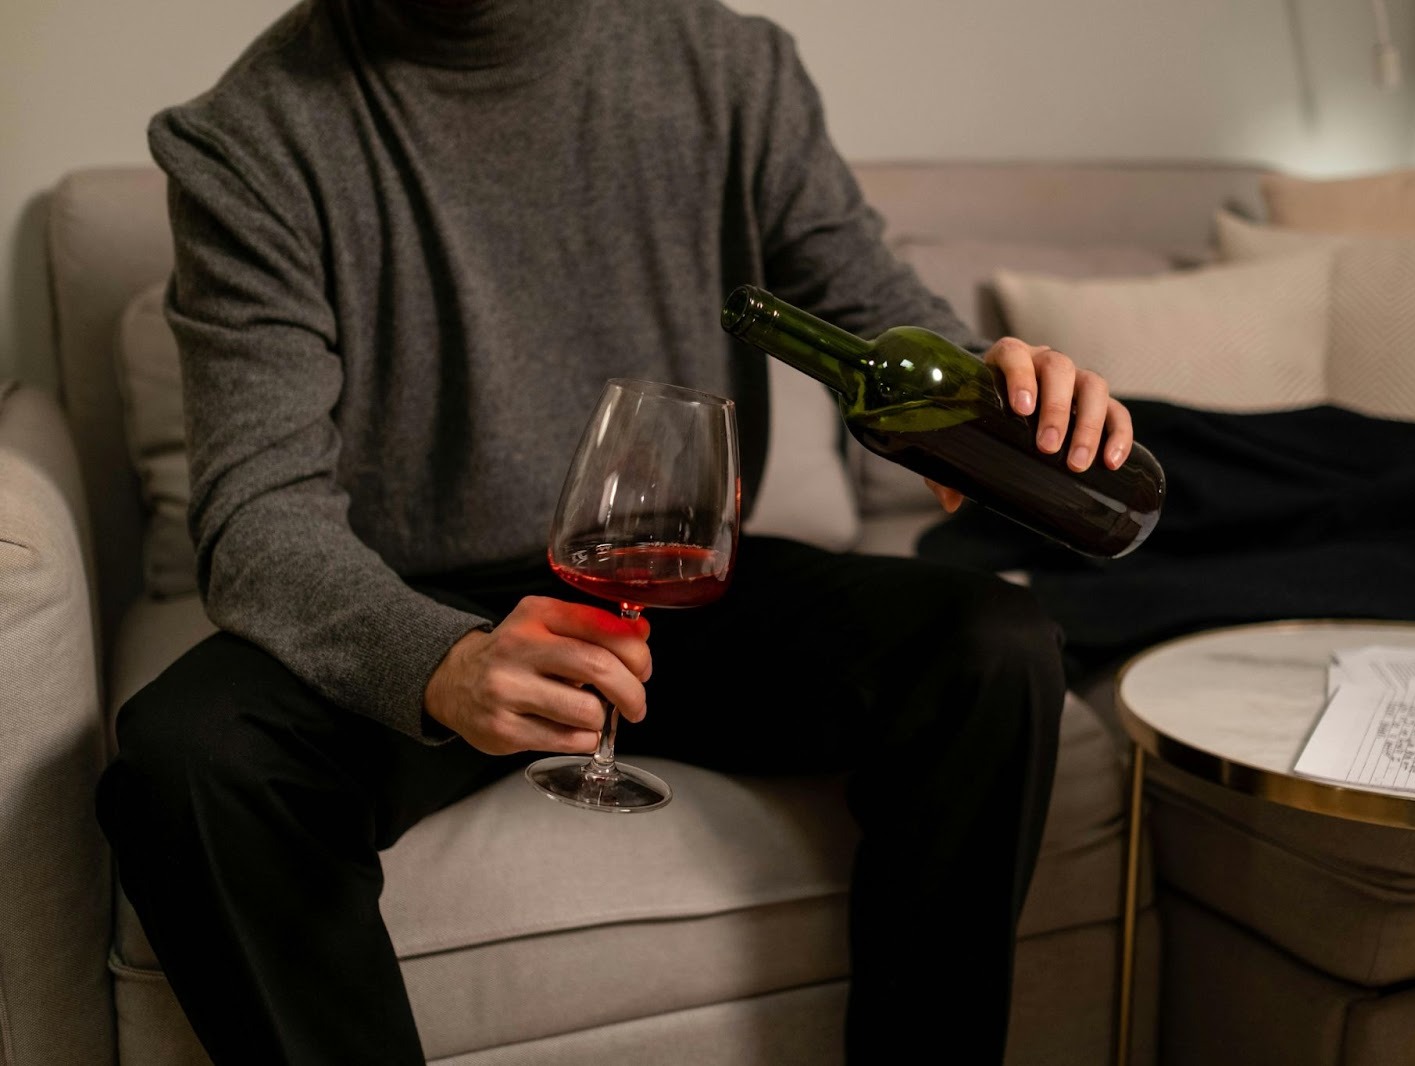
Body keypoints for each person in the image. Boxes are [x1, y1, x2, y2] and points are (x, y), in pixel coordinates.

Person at [95, 0, 1137, 1062]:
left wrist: (991, 397)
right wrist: (443, 665)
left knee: (990, 644)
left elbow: (864, 300)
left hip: (677, 574)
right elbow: (255, 511)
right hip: (416, 602)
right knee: (191, 755)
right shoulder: (247, 136)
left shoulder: (728, 66)